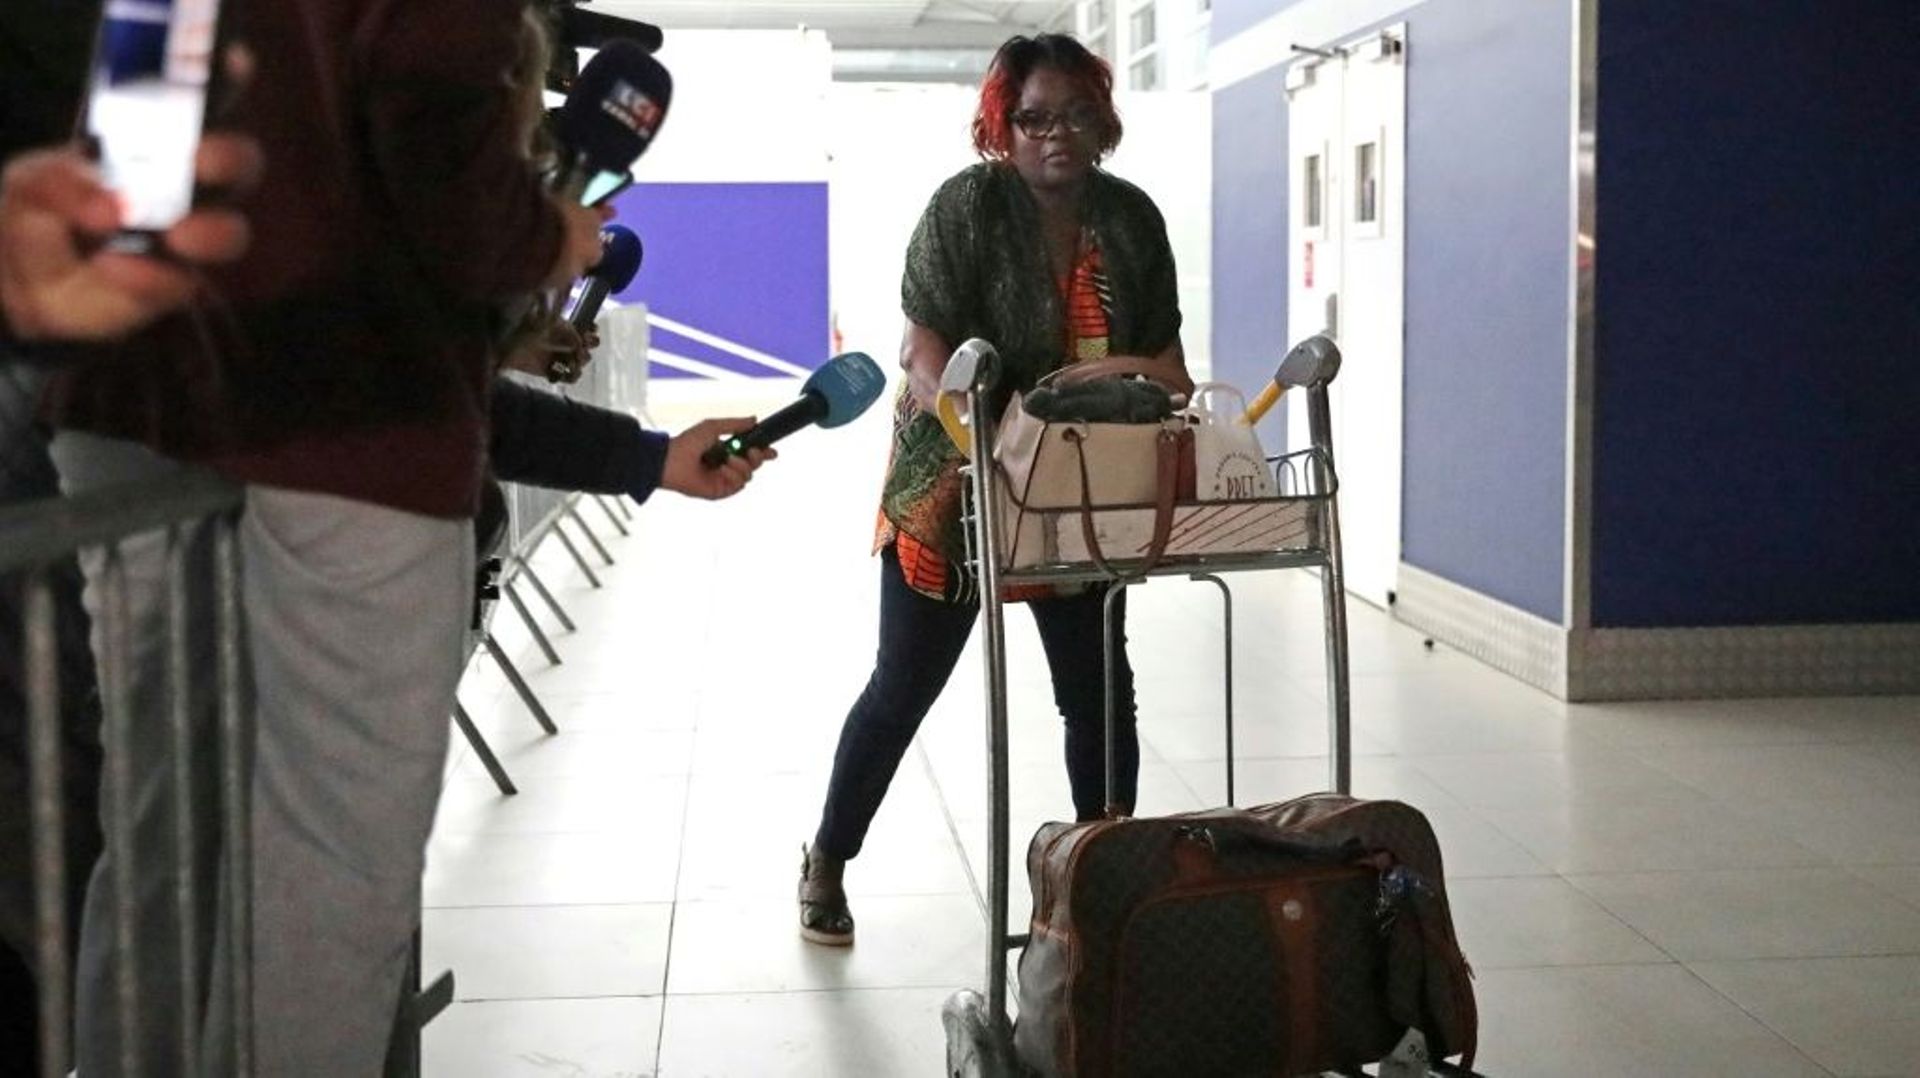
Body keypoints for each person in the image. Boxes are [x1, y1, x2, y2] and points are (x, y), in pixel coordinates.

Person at [34, 1, 610, 1071]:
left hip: (130, 397)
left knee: (161, 835)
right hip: (347, 410)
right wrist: (544, 237)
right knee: (330, 864)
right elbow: (442, 152)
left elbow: (130, 158)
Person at [800, 33, 1190, 946]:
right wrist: (979, 429)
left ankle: (1106, 874)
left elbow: (1170, 372)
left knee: (1098, 692)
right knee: (903, 688)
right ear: (1001, 125)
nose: (1058, 133)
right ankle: (827, 857)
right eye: (1035, 117)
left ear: (1103, 120)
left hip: (1079, 487)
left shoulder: (1131, 221)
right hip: (955, 479)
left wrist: (1073, 393)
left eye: (1078, 114)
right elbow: (922, 351)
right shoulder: (965, 208)